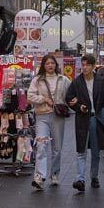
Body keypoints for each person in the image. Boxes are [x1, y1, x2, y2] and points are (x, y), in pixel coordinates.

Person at [65, 54, 104, 192]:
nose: (84, 67)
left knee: (95, 151)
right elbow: (68, 98)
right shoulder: (77, 82)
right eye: (83, 65)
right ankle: (80, 179)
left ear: (93, 66)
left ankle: (94, 176)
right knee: (81, 150)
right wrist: (78, 106)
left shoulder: (101, 81)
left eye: (87, 65)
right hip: (82, 119)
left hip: (96, 119)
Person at [27, 54, 71, 190]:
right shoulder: (37, 80)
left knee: (57, 149)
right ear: (43, 66)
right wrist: (43, 99)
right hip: (42, 117)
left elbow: (71, 95)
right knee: (41, 146)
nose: (50, 65)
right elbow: (30, 96)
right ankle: (39, 177)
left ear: (56, 65)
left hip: (58, 117)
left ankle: (55, 174)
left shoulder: (63, 80)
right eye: (47, 63)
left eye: (52, 63)